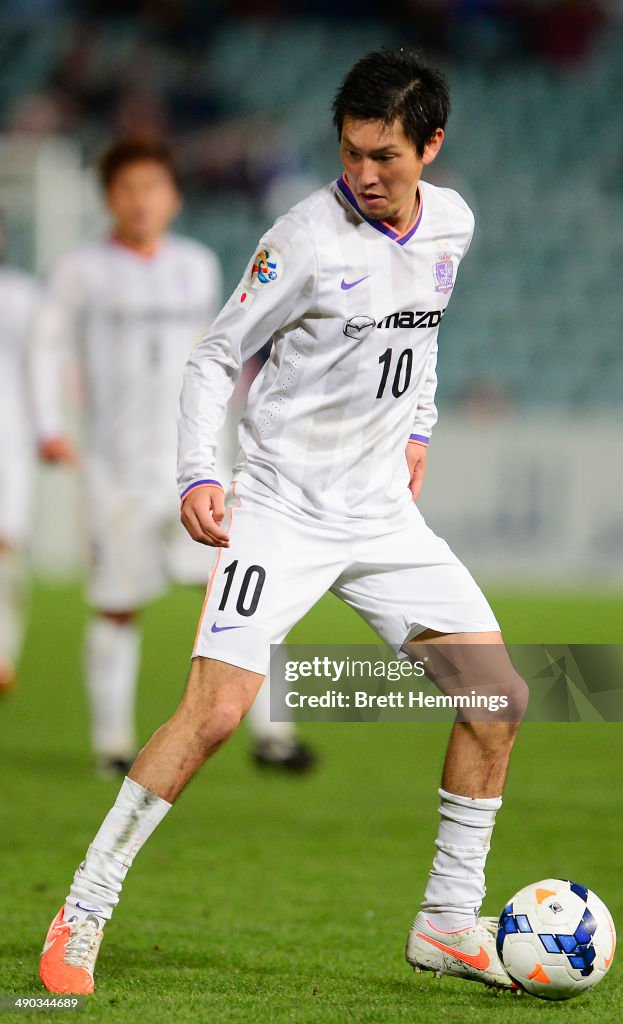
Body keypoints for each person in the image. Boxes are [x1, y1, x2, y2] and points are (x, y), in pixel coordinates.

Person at [39, 50, 528, 995]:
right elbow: (214, 357)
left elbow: (424, 333)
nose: (364, 175)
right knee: (217, 712)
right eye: (350, 153)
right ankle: (84, 908)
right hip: (281, 510)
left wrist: (418, 426)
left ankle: (446, 921)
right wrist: (198, 475)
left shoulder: (453, 224)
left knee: (496, 699)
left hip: (383, 515)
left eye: (385, 156)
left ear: (432, 145)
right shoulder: (304, 236)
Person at [30, 139, 314, 776]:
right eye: (128, 189)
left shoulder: (197, 264)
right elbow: (46, 350)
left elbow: (226, 357)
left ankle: (276, 735)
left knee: (244, 593)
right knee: (116, 604)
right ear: (109, 198)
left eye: (152, 187)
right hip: (117, 469)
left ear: (174, 196)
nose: (141, 201)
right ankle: (111, 745)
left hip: (199, 462)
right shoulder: (80, 271)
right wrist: (49, 424)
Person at [0, 214, 41, 694]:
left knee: (6, 550)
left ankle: (3, 653)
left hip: (10, 439)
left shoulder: (22, 296)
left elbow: (46, 364)